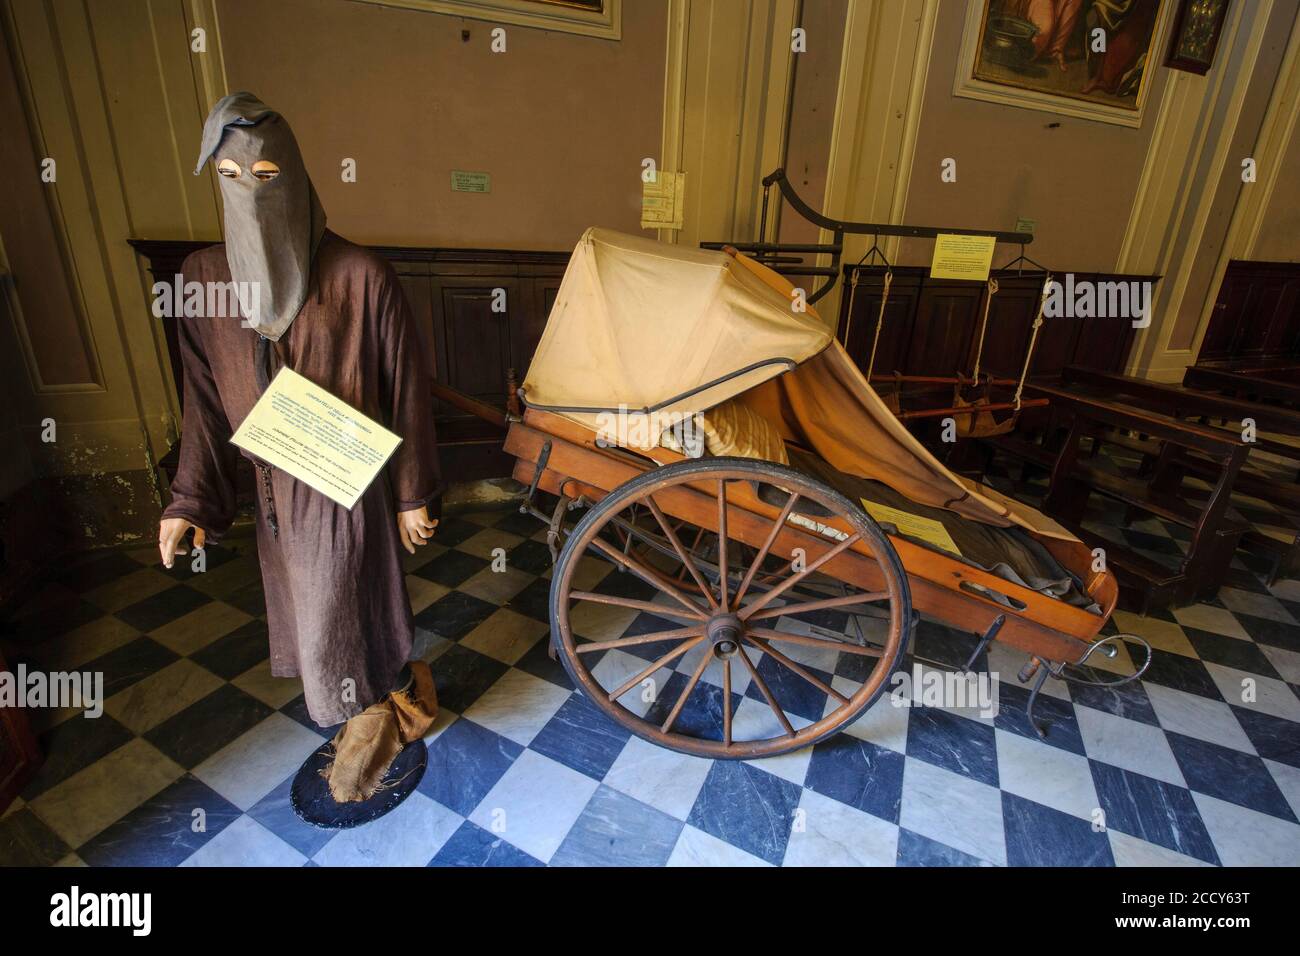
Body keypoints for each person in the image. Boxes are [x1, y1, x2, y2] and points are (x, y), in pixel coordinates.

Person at [157, 92, 441, 804]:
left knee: (334, 612)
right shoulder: (203, 281)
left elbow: (405, 391)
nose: (250, 194)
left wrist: (412, 493)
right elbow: (200, 400)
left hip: (349, 487)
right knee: (317, 609)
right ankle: (399, 695)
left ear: (297, 177)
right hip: (271, 492)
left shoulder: (359, 276)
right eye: (228, 177)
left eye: (267, 175)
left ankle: (367, 725)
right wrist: (188, 499)